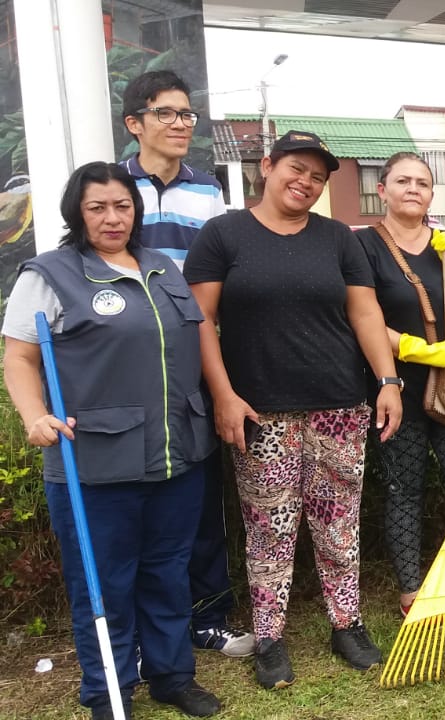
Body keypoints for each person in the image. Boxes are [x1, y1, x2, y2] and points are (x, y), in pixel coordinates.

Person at [2, 162, 221, 719]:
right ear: (77, 211)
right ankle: (109, 690)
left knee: (169, 573)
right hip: (95, 463)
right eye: (97, 206)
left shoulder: (162, 269)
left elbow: (197, 342)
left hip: (178, 457)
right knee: (104, 585)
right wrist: (34, 415)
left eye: (122, 205)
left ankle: (172, 675)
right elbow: (21, 357)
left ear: (136, 210)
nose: (112, 217)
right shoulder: (49, 275)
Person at [185, 130, 403, 689]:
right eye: (296, 169)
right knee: (269, 530)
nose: (305, 182)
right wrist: (224, 395)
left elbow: (365, 314)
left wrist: (387, 380)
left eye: (317, 176)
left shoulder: (337, 238)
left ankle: (347, 624)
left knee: (339, 524)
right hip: (261, 412)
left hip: (339, 405)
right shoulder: (223, 234)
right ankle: (271, 636)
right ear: (268, 166)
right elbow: (201, 322)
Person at [119, 70, 253, 657]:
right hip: (126, 356)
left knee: (199, 495)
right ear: (135, 124)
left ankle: (207, 615)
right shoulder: (109, 186)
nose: (180, 124)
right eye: (166, 113)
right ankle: (143, 627)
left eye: (186, 114)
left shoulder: (208, 192)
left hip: (192, 352)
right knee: (133, 495)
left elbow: (218, 276)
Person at [355, 152, 445, 617]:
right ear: (383, 189)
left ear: (432, 194)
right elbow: (362, 317)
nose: (414, 189)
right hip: (400, 386)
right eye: (403, 181)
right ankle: (411, 589)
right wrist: (415, 348)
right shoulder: (365, 246)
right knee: (404, 489)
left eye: (423, 183)